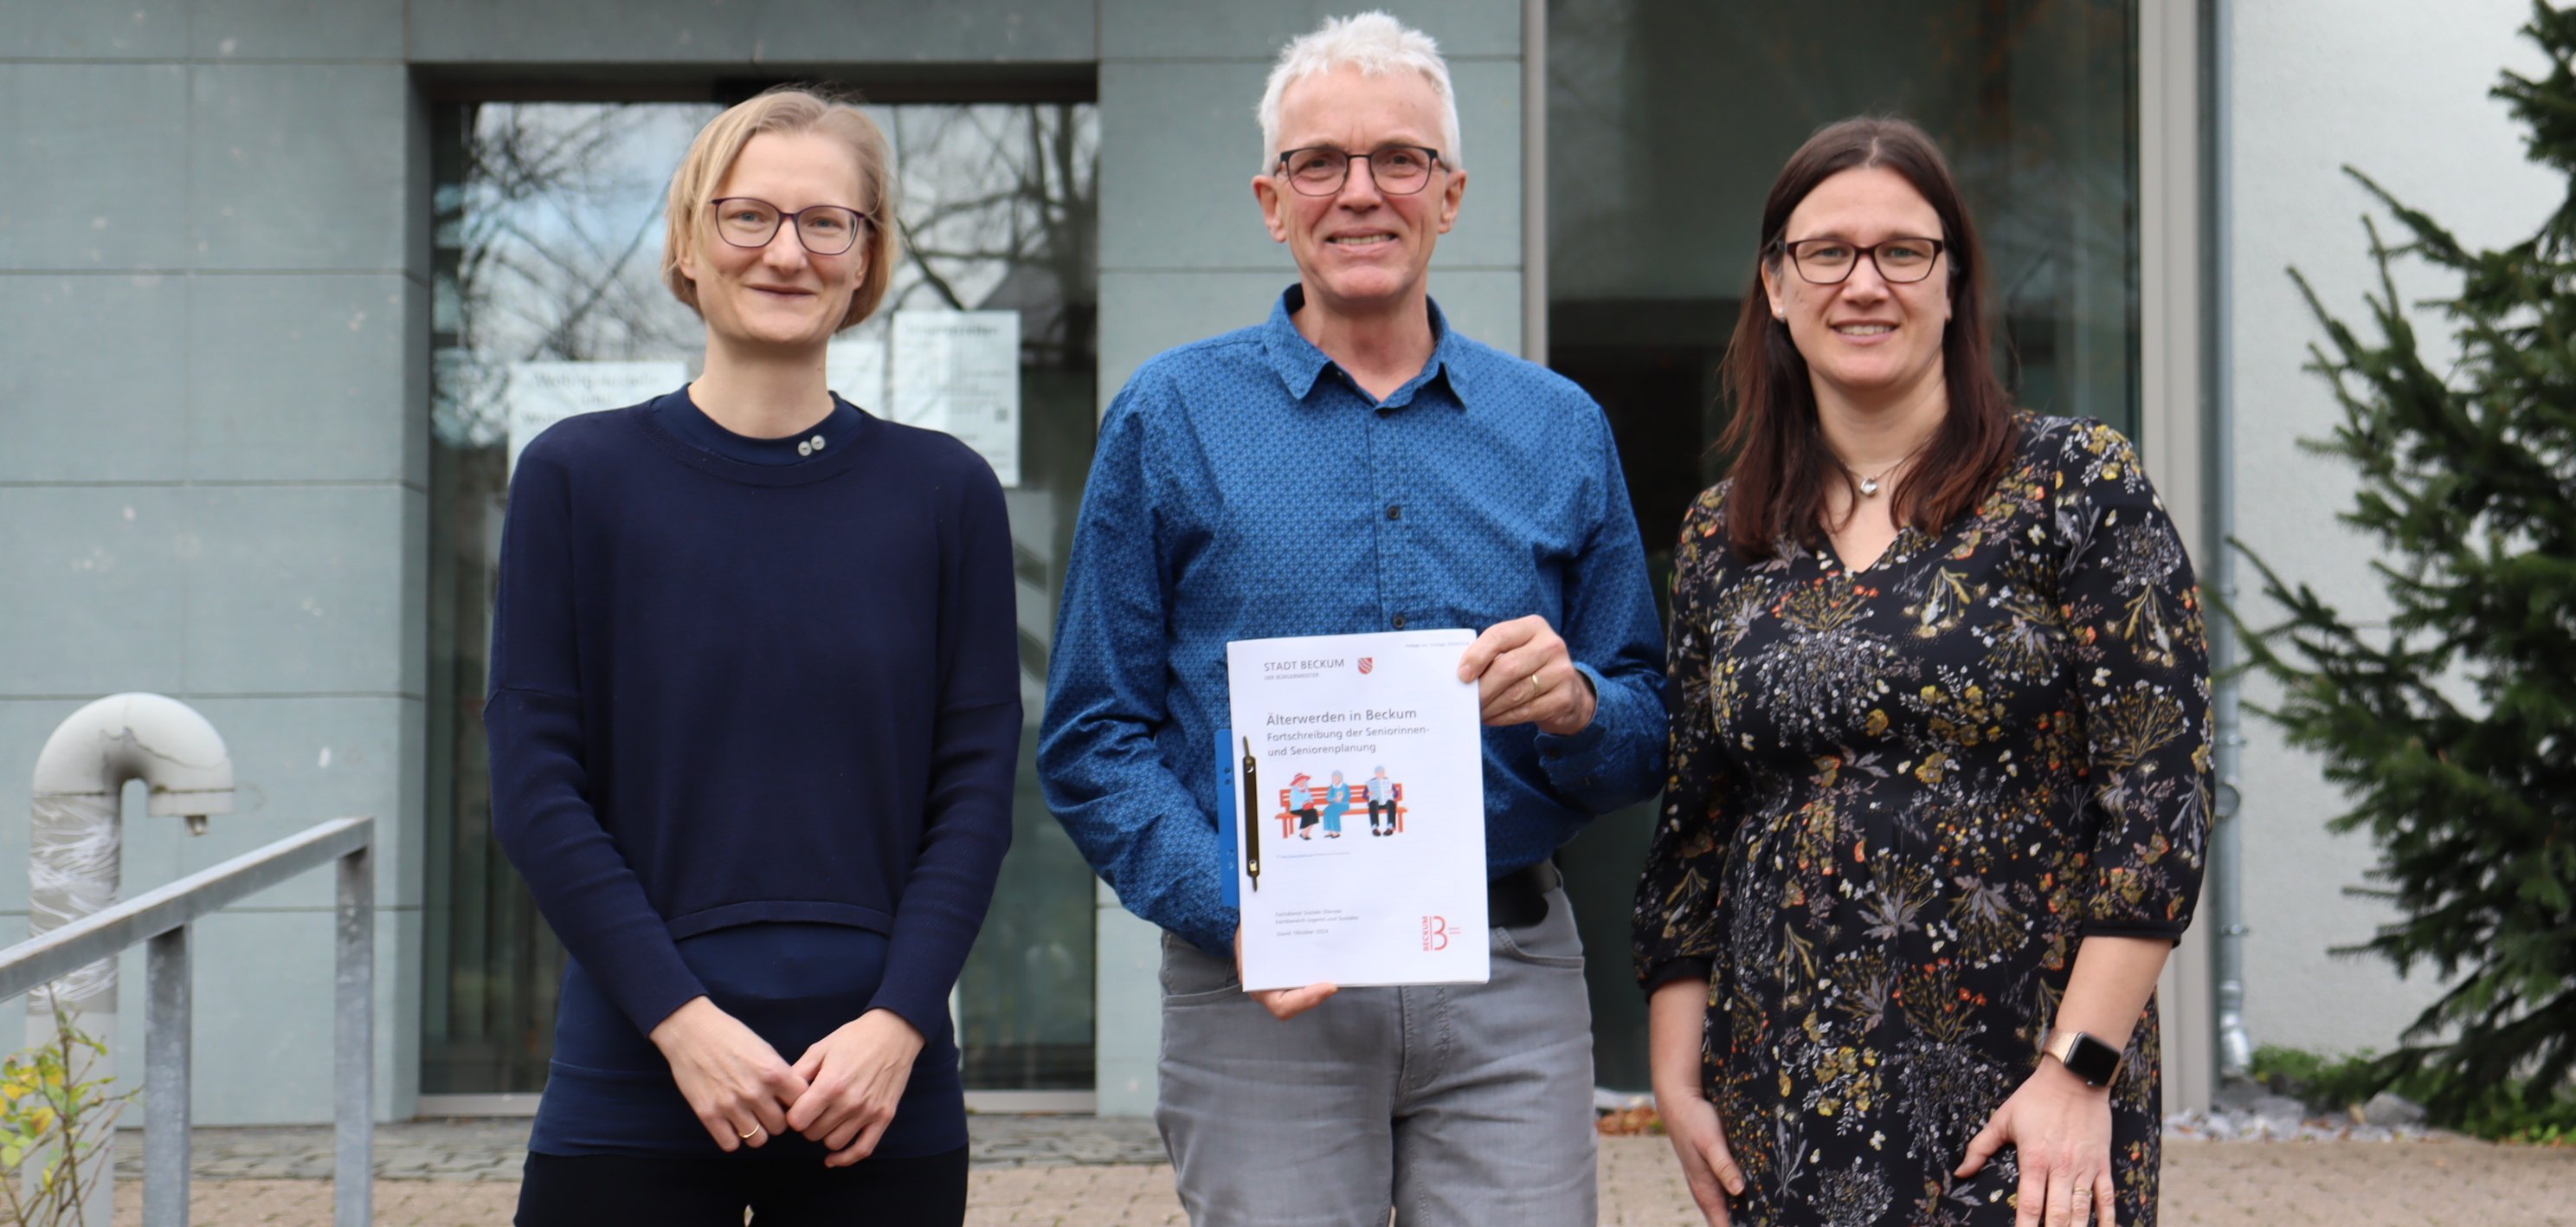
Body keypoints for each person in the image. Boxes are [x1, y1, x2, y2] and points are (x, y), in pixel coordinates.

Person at [1039, 12, 1667, 1224]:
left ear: (1453, 193)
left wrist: (1579, 703)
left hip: (1506, 974)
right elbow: (1092, 739)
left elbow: (1643, 724)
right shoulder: (1169, 420)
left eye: (1400, 159)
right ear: (1274, 201)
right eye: (1320, 162)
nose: (1360, 191)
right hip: (1260, 992)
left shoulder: (1558, 429)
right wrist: (1242, 911)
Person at [1631, 115, 2212, 1227]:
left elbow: (2159, 799)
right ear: (1777, 286)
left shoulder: (2073, 486)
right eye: (1826, 252)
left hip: (2024, 1090)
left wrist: (2080, 1069)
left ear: (1952, 285)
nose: (1865, 283)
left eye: (1903, 251)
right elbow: (1693, 828)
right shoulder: (1726, 534)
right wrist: (1675, 1078)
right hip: (1786, 1095)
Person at [486, 87, 1019, 1227]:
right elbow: (537, 786)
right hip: (637, 1068)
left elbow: (973, 794)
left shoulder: (945, 494)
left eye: (828, 222)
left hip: (878, 1086)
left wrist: (900, 1022)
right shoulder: (578, 478)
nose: (788, 251)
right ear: (688, 238)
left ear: (866, 256)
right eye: (749, 216)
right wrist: (681, 1021)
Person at [1321, 770, 1354, 837]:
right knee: (1326, 810)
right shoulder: (1332, 787)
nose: (1335, 779)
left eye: (1336, 778)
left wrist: (1342, 799)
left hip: (1344, 805)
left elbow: (1348, 797)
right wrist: (1334, 799)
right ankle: (1330, 830)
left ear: (1340, 778)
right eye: (1333, 778)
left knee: (1334, 812)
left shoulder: (1345, 786)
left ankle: (1336, 831)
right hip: (1335, 805)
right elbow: (1328, 798)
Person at [1367, 765, 1398, 835]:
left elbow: (1396, 793)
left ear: (1384, 773)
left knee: (1391, 803)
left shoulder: (1388, 781)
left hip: (1386, 803)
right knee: (1373, 803)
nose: (1379, 774)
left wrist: (1393, 792)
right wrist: (1368, 794)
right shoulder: (1371, 782)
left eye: (1381, 773)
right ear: (1375, 774)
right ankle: (1375, 828)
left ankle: (1390, 827)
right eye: (1378, 773)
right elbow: (1364, 794)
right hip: (1376, 804)